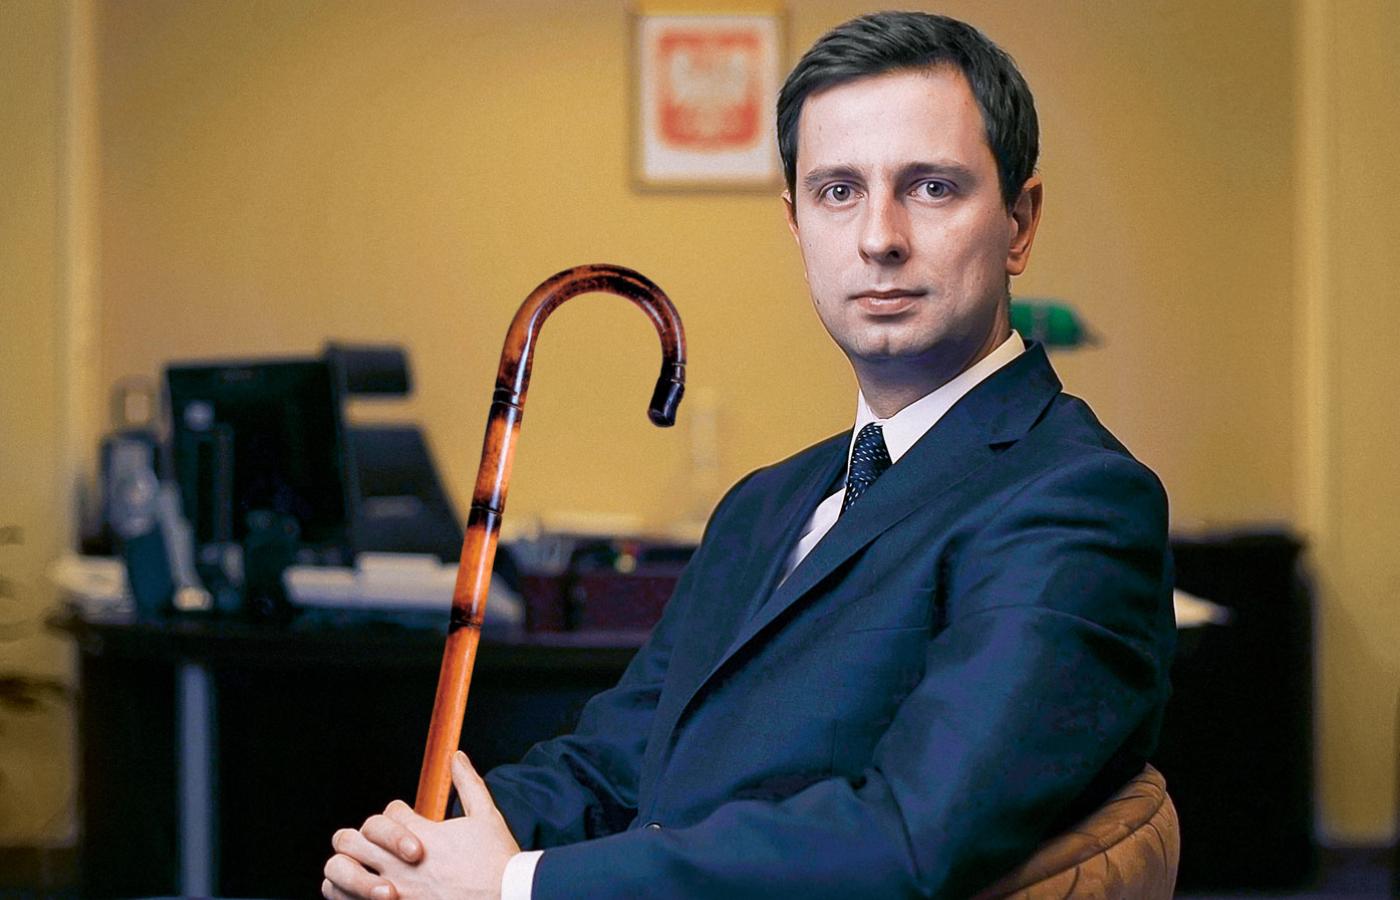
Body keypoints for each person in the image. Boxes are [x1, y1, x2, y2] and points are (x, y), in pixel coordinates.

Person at [322, 11, 1175, 899]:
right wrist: (417, 860)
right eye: (838, 191)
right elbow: (613, 763)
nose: (878, 237)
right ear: (797, 224)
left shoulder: (1078, 499)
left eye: (930, 187)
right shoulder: (762, 505)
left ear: (1019, 224)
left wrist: (517, 885)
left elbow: (908, 838)